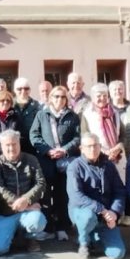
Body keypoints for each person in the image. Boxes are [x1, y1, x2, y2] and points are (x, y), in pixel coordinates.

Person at [30, 85, 80, 241]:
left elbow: (78, 138)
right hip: (46, 161)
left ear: (66, 99)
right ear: (50, 98)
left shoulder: (72, 116)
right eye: (56, 96)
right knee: (45, 195)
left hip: (65, 161)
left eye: (62, 97)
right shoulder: (41, 114)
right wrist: (47, 150)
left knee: (62, 194)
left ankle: (62, 227)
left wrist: (64, 150)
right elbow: (34, 135)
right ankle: (47, 226)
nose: (59, 99)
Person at [67, 133, 126, 259]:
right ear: (81, 148)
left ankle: (93, 237)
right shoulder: (74, 166)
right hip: (83, 212)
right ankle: (83, 242)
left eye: (95, 146)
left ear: (100, 147)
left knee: (118, 253)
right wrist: (102, 210)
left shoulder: (108, 165)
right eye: (88, 146)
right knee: (88, 217)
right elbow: (76, 196)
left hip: (106, 217)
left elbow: (119, 191)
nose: (92, 149)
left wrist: (114, 212)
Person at [0, 130, 47, 255]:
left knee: (38, 220)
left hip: (28, 210)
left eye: (14, 144)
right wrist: (19, 202)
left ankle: (31, 238)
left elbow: (40, 183)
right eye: (7, 145)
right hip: (5, 212)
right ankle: (14, 236)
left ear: (19, 143)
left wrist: (26, 200)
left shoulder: (31, 159)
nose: (11, 148)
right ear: (1, 147)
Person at [80, 83, 127, 181]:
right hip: (97, 156)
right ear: (92, 98)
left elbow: (123, 135)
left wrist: (118, 148)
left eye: (105, 95)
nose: (102, 98)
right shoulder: (87, 114)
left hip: (117, 157)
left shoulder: (115, 113)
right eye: (98, 96)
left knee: (119, 184)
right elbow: (85, 137)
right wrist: (104, 152)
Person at [12, 77, 41, 156]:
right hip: (13, 144)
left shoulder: (37, 106)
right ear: (14, 90)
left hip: (32, 146)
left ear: (30, 90)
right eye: (19, 89)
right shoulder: (9, 105)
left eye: (26, 88)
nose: (23, 91)